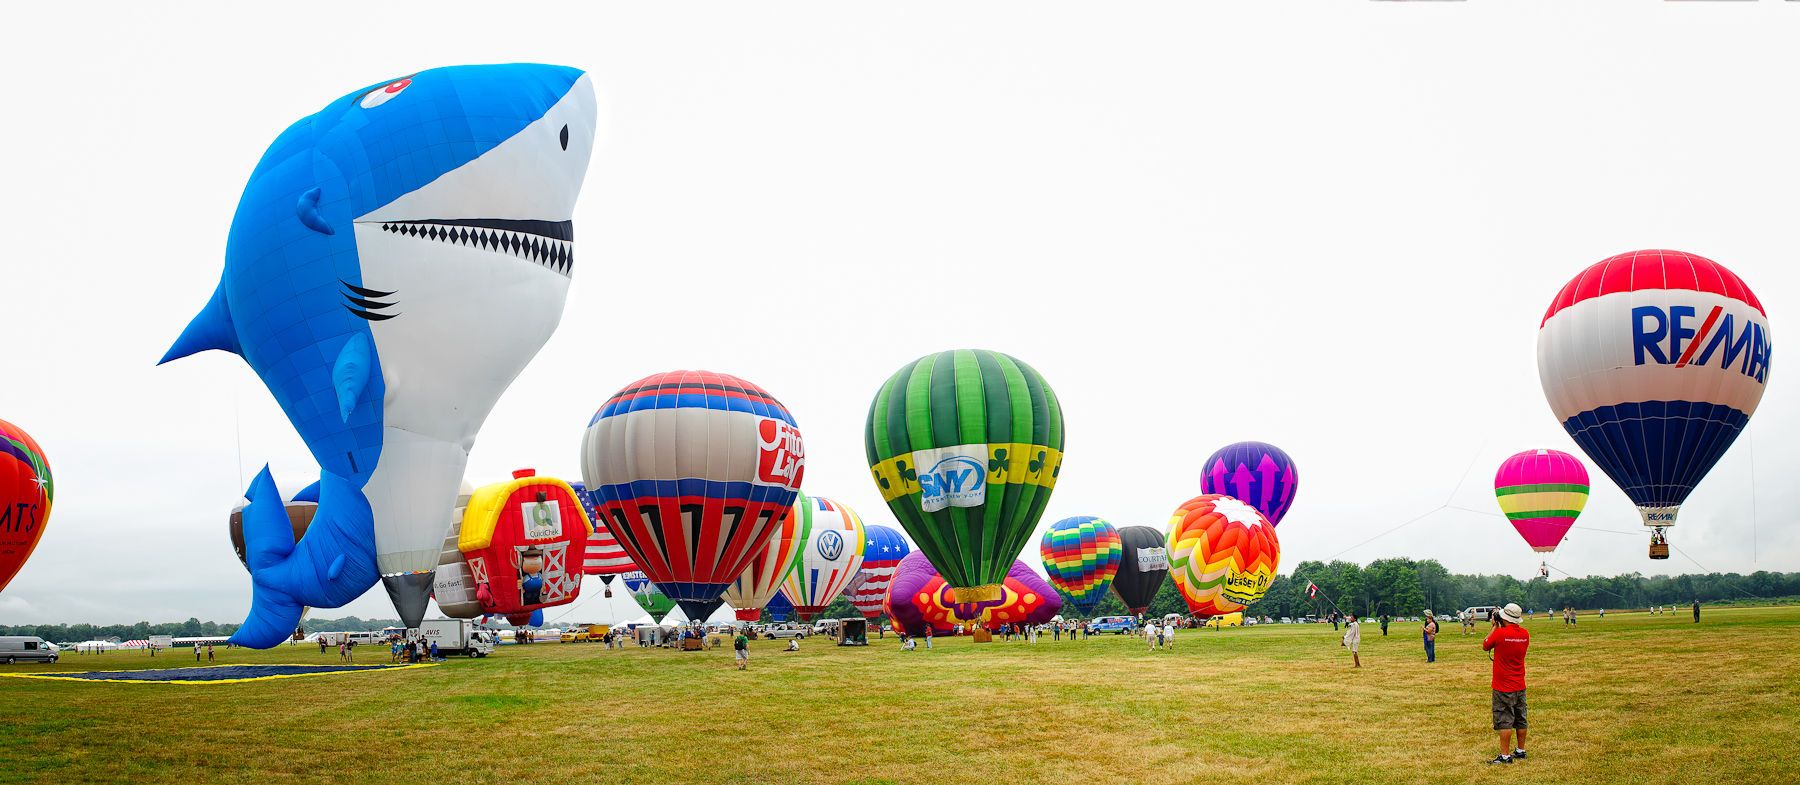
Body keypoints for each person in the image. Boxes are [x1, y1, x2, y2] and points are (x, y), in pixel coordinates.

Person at [1482, 603, 1531, 765]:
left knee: (1505, 719)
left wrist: (1495, 627)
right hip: (1519, 683)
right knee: (1520, 718)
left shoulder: (1500, 634)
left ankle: (1504, 755)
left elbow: (1485, 645)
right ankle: (1521, 750)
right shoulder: (1525, 634)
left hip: (1503, 685)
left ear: (1504, 618)